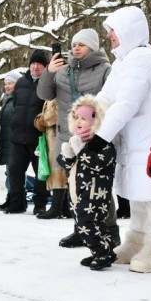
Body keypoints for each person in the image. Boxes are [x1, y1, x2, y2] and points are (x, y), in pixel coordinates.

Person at [89, 6, 151, 273]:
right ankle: (136, 242)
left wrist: (101, 137)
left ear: (128, 30)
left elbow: (126, 103)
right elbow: (107, 96)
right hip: (133, 139)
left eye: (113, 29)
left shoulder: (143, 60)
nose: (110, 35)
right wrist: (87, 116)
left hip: (149, 137)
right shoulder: (123, 61)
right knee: (136, 193)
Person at [37, 29, 113, 235]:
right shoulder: (62, 70)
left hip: (94, 138)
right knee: (73, 186)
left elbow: (113, 102)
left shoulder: (106, 69)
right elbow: (44, 94)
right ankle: (80, 230)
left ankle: (104, 231)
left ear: (93, 47)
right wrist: (49, 72)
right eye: (74, 44)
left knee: (97, 188)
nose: (76, 48)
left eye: (82, 44)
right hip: (67, 136)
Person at [58, 96, 117, 270]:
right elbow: (68, 165)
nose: (78, 122)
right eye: (76, 118)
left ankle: (102, 252)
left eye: (84, 118)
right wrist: (68, 155)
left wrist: (80, 150)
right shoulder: (79, 141)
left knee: (90, 223)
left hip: (95, 194)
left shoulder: (102, 145)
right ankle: (102, 251)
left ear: (95, 121)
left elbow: (96, 164)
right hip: (78, 193)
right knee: (82, 224)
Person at [3, 50, 49, 215]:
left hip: (38, 137)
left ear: (45, 67)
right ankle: (17, 202)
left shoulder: (48, 83)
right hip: (18, 136)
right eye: (33, 63)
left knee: (40, 174)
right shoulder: (21, 82)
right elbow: (16, 104)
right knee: (14, 171)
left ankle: (40, 203)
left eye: (39, 64)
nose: (35, 67)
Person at [0, 70, 21, 210]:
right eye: (6, 84)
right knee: (9, 171)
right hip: (6, 139)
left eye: (10, 83)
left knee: (14, 171)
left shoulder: (17, 99)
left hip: (14, 140)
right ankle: (10, 197)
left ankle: (15, 198)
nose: (7, 86)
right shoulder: (7, 99)